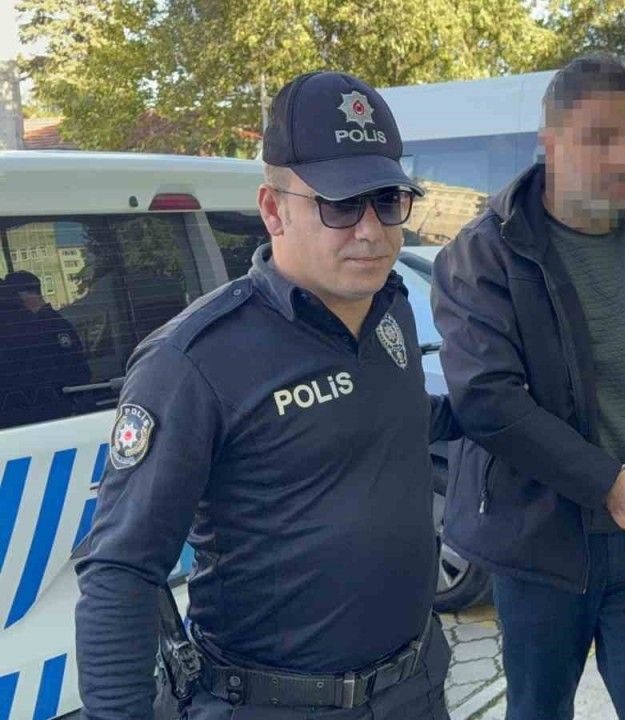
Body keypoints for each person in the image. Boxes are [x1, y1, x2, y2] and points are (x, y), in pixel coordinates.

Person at [75, 71, 458, 720]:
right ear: (274, 210)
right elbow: (120, 571)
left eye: (388, 200)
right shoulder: (195, 361)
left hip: (413, 688)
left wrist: (512, 406)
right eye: (341, 205)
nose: (371, 230)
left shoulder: (388, 307)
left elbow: (394, 421)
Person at [430, 53, 625, 720]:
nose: (623, 158)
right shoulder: (485, 252)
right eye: (599, 138)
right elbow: (488, 399)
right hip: (541, 544)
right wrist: (607, 483)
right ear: (550, 144)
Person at [2, 270, 90, 424]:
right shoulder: (41, 324)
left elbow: (76, 372)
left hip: (58, 412)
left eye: (13, 297)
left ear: (27, 295)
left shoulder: (51, 326)